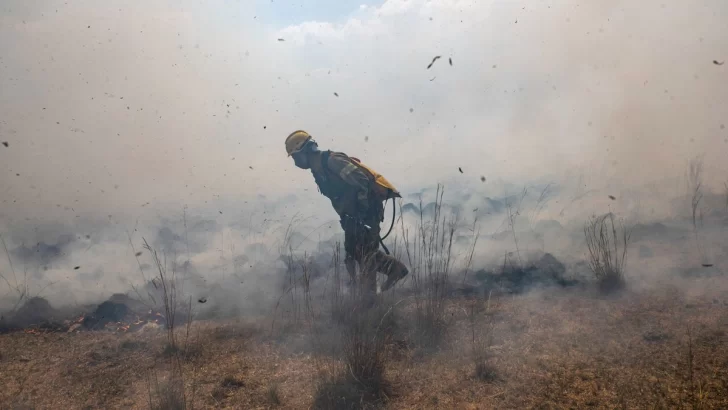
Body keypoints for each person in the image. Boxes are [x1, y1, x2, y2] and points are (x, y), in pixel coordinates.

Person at [285, 130, 409, 294]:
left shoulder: (332, 161)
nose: (295, 162)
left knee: (366, 256)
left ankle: (369, 302)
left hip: (365, 213)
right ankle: (395, 270)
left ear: (306, 151)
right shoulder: (318, 170)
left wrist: (361, 214)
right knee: (354, 253)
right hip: (351, 216)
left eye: (295, 157)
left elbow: (362, 181)